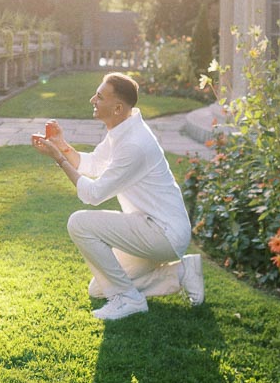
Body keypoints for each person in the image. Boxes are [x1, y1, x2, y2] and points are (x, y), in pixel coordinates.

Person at [32, 72, 203, 320]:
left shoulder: (133, 144)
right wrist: (62, 145)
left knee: (79, 223)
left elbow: (93, 194)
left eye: (99, 97)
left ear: (118, 107)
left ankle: (129, 299)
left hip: (163, 234)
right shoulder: (122, 130)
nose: (93, 99)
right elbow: (91, 164)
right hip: (150, 228)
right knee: (99, 288)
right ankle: (181, 272)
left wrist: (58, 159)